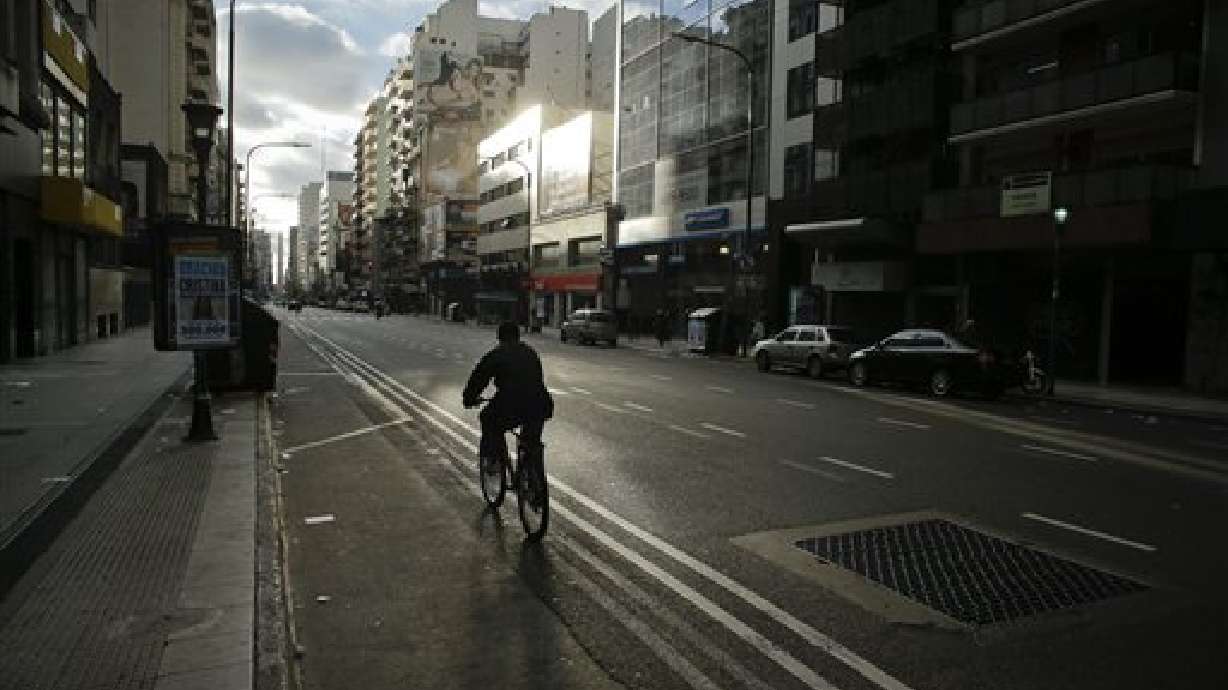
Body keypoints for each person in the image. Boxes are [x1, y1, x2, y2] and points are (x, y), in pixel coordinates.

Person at [462, 322, 554, 466]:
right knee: (531, 438)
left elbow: (479, 378)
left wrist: (469, 398)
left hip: (511, 404)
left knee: (488, 419)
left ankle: (494, 457)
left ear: (500, 337)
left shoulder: (497, 354)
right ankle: (532, 472)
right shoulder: (530, 352)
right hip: (541, 403)